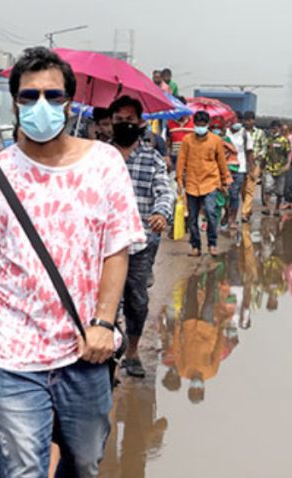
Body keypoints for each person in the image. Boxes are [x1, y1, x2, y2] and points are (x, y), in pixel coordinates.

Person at [0, 46, 145, 478]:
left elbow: (117, 250)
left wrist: (103, 322)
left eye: (53, 94)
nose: (42, 104)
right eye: (30, 96)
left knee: (85, 463)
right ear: (14, 103)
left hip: (84, 352)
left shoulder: (105, 165)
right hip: (12, 355)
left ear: (70, 101)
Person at [110, 95, 175, 379]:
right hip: (103, 246)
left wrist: (162, 213)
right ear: (110, 123)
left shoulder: (151, 158)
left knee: (137, 302)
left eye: (130, 120)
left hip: (138, 244)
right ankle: (109, 356)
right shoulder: (98, 156)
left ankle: (132, 351)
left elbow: (164, 190)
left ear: (140, 123)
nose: (125, 125)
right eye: (119, 120)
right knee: (106, 303)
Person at [177, 110, 231, 257]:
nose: (200, 128)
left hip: (210, 182)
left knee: (210, 212)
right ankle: (195, 246)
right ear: (194, 124)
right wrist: (179, 180)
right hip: (192, 182)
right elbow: (181, 160)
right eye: (197, 125)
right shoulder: (187, 140)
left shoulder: (216, 140)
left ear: (207, 125)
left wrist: (225, 180)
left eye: (202, 125)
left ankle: (212, 243)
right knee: (192, 217)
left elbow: (221, 162)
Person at [223, 115, 249, 231]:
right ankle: (227, 212)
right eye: (234, 121)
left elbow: (249, 152)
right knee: (223, 195)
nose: (236, 123)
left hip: (239, 169)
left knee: (234, 195)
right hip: (224, 168)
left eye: (239, 121)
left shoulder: (245, 134)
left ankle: (232, 219)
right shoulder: (225, 133)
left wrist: (251, 169)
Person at [241, 111, 265, 222]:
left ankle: (244, 213)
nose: (247, 122)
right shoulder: (240, 132)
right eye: (245, 120)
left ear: (253, 121)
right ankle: (247, 208)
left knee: (250, 188)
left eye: (249, 120)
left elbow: (264, 148)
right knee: (243, 189)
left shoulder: (260, 133)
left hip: (255, 164)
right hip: (242, 163)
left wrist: (256, 156)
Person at [264, 121, 291, 214]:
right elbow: (265, 153)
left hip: (281, 169)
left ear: (279, 129)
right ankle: (267, 208)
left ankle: (277, 208)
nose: (274, 130)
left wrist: (288, 164)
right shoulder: (268, 140)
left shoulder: (284, 140)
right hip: (269, 167)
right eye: (272, 128)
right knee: (268, 188)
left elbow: (289, 153)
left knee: (280, 191)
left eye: (276, 128)